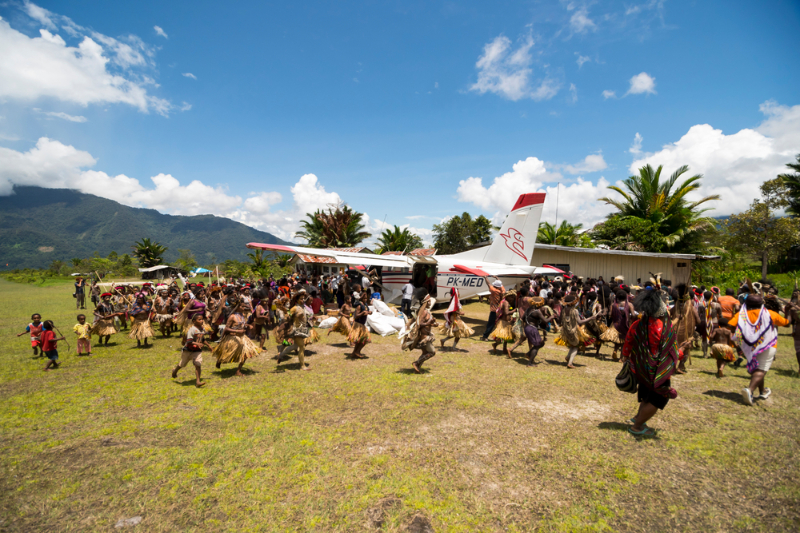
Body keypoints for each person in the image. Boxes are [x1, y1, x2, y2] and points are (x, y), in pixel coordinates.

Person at [623, 288, 691, 436]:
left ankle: (637, 419)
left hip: (641, 368)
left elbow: (627, 346)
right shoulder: (664, 328)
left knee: (647, 394)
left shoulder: (637, 325)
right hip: (657, 370)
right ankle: (637, 426)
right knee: (657, 398)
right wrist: (683, 349)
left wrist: (628, 358)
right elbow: (672, 353)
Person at [730, 294, 791, 405]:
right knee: (761, 370)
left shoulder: (741, 315)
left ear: (746, 304)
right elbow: (787, 323)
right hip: (767, 346)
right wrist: (788, 311)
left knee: (757, 369)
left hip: (749, 347)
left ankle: (762, 391)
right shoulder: (771, 314)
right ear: (762, 304)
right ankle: (750, 390)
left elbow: (731, 325)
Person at [214, 297, 260, 376]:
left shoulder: (241, 315)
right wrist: (237, 331)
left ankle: (238, 371)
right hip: (233, 338)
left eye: (244, 306)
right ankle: (219, 360)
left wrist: (248, 325)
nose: (243, 308)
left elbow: (242, 324)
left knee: (245, 354)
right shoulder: (232, 316)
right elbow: (226, 328)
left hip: (242, 338)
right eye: (242, 306)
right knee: (226, 354)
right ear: (237, 307)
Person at [555, 294, 599, 369]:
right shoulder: (574, 311)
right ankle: (570, 363)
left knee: (573, 345)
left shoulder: (563, 310)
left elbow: (561, 321)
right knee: (576, 347)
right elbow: (580, 322)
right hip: (573, 330)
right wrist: (591, 318)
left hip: (566, 331)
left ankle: (568, 357)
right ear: (574, 303)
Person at [277, 291, 315, 369]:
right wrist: (295, 315)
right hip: (296, 330)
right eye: (301, 299)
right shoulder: (294, 308)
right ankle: (303, 366)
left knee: (295, 346)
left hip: (303, 329)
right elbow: (286, 317)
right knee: (302, 346)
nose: (303, 300)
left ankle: (281, 355)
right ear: (297, 300)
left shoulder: (303, 307)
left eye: (304, 299)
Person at [403, 294, 438, 373]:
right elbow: (419, 324)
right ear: (425, 302)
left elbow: (426, 323)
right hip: (424, 337)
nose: (430, 302)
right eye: (429, 301)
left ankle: (417, 368)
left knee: (425, 352)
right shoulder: (423, 312)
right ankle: (416, 363)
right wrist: (429, 323)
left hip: (426, 335)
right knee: (432, 352)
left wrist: (433, 324)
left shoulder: (425, 311)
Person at [172, 314, 208, 387]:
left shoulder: (202, 329)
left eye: (202, 319)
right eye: (199, 319)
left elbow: (202, 339)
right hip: (188, 350)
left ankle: (198, 382)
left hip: (197, 351)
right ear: (194, 321)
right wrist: (197, 343)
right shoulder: (192, 329)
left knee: (198, 364)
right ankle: (175, 371)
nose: (202, 321)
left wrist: (209, 345)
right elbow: (189, 341)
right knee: (182, 364)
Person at [601, 290, 635, 361]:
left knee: (617, 340)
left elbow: (610, 315)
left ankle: (615, 350)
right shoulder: (629, 304)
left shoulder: (613, 305)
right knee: (623, 342)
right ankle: (620, 358)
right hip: (625, 324)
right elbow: (633, 315)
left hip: (615, 324)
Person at [489, 291, 516, 356]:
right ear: (507, 297)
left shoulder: (504, 302)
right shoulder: (506, 303)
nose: (512, 298)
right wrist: (514, 310)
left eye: (513, 297)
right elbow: (506, 313)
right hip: (503, 322)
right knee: (503, 338)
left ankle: (504, 349)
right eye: (511, 297)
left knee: (505, 337)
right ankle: (495, 344)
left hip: (506, 322)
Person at [347, 292, 372, 359]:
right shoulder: (359, 305)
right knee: (365, 339)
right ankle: (357, 352)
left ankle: (354, 353)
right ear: (361, 298)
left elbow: (366, 312)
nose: (365, 299)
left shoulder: (365, 305)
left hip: (362, 325)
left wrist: (369, 312)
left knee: (360, 340)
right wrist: (362, 313)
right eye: (364, 298)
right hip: (358, 325)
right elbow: (356, 316)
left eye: (366, 298)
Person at [480, 277, 505, 341]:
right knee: (499, 324)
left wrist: (485, 277)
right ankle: (500, 337)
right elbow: (501, 284)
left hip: (494, 310)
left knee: (490, 324)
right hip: (500, 310)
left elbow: (488, 284)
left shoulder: (494, 291)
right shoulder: (502, 290)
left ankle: (485, 336)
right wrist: (497, 278)